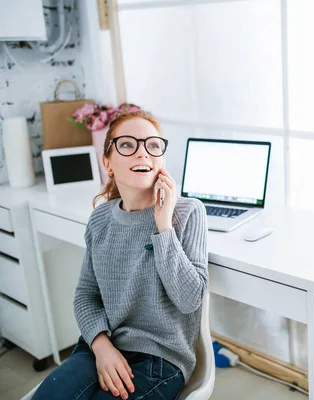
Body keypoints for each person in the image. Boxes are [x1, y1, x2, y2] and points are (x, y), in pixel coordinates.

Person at [32, 111, 208, 400]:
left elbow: (189, 301)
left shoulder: (188, 213)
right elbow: (86, 295)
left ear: (161, 159)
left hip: (160, 361)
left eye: (153, 145)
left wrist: (163, 226)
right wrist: (101, 346)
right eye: (127, 145)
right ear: (108, 164)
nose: (143, 153)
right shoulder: (100, 219)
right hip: (100, 347)